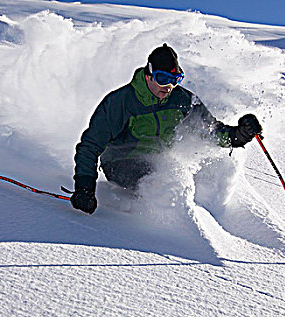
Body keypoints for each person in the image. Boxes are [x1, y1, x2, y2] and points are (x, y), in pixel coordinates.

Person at [71, 43, 262, 214]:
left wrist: (239, 134)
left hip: (159, 160)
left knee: (200, 174)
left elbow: (211, 130)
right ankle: (173, 229)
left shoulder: (183, 100)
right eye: (162, 78)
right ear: (149, 76)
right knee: (162, 181)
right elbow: (90, 146)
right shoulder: (120, 102)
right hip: (120, 162)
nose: (169, 86)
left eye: (175, 79)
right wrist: (84, 188)